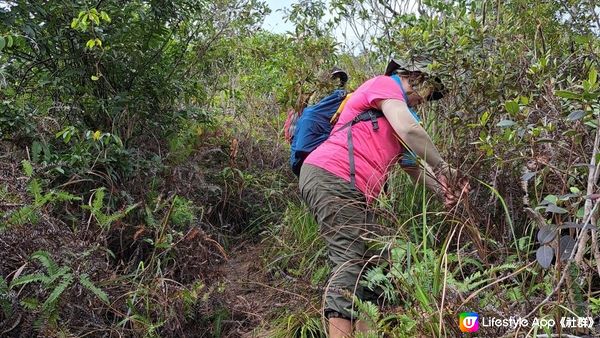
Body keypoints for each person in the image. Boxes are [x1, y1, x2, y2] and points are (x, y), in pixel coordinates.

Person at [298, 58, 469, 337]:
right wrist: (444, 168)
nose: (423, 102)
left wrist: (444, 191)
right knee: (351, 261)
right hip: (332, 175)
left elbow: (413, 168)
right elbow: (410, 130)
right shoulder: (384, 85)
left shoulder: (401, 115)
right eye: (428, 93)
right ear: (415, 77)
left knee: (376, 263)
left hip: (352, 191)